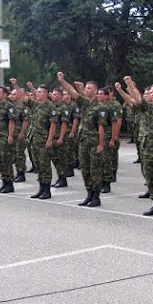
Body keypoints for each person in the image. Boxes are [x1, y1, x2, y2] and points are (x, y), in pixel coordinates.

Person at [118, 79, 153, 217]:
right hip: (147, 149)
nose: (152, 94)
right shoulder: (147, 107)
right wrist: (129, 84)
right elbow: (136, 98)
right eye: (151, 92)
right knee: (150, 178)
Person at [58, 71, 107, 207]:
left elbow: (101, 127)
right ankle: (89, 194)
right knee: (85, 169)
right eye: (86, 88)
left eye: (89, 88)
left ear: (96, 91)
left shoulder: (100, 108)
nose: (87, 90)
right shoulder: (85, 104)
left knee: (95, 170)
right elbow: (72, 91)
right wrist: (62, 81)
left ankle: (96, 197)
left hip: (95, 142)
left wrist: (101, 144)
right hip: (84, 142)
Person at [20, 82, 58, 199]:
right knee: (38, 165)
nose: (37, 94)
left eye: (40, 92)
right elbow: (23, 97)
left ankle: (47, 190)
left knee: (45, 165)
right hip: (33, 139)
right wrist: (16, 85)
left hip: (43, 140)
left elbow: (53, 124)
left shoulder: (50, 106)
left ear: (46, 94)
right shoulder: (36, 105)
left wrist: (49, 140)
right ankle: (41, 188)